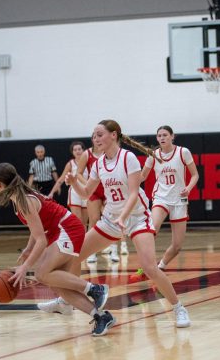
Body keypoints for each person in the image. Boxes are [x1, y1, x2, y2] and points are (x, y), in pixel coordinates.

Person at [65, 119, 191, 328]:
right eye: (93, 136)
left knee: (150, 268)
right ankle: (68, 300)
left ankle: (179, 308)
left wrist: (123, 216)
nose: (95, 139)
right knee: (74, 255)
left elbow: (134, 193)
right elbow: (87, 193)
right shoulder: (98, 164)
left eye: (99, 134)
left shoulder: (128, 158)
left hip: (137, 218)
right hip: (111, 220)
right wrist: (73, 183)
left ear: (113, 135)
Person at [0, 162, 115, 336]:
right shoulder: (20, 197)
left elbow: (41, 240)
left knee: (41, 274)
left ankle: (95, 289)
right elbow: (37, 229)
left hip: (68, 229)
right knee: (57, 283)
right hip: (61, 231)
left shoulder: (23, 200)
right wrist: (28, 248)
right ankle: (101, 317)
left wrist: (25, 268)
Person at [140, 125, 199, 270]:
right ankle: (147, 266)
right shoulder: (153, 155)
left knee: (177, 246)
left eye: (165, 135)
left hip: (179, 200)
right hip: (161, 198)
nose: (162, 138)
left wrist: (189, 188)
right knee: (151, 231)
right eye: (159, 136)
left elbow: (195, 175)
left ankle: (160, 267)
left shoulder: (183, 152)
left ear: (172, 136)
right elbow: (142, 176)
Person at [49, 141, 92, 261]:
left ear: (83, 150)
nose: (78, 151)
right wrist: (52, 193)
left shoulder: (89, 161)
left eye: (79, 149)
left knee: (85, 222)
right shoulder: (70, 164)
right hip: (75, 193)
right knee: (78, 222)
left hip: (87, 192)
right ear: (72, 152)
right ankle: (77, 248)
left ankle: (85, 248)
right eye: (75, 149)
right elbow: (61, 179)